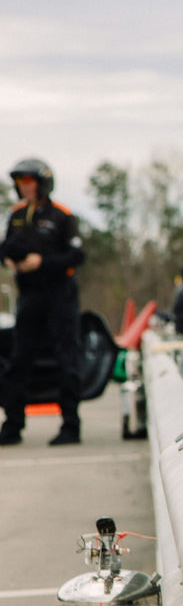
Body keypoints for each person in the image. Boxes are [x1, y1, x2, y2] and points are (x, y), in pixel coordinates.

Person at [0, 158, 85, 446]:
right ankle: (12, 426)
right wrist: (11, 260)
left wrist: (43, 262)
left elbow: (76, 256)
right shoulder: (16, 214)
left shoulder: (62, 215)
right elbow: (5, 248)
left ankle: (70, 426)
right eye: (20, 182)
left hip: (60, 294)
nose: (24, 186)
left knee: (66, 357)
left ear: (42, 182)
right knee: (19, 359)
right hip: (30, 296)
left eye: (29, 181)